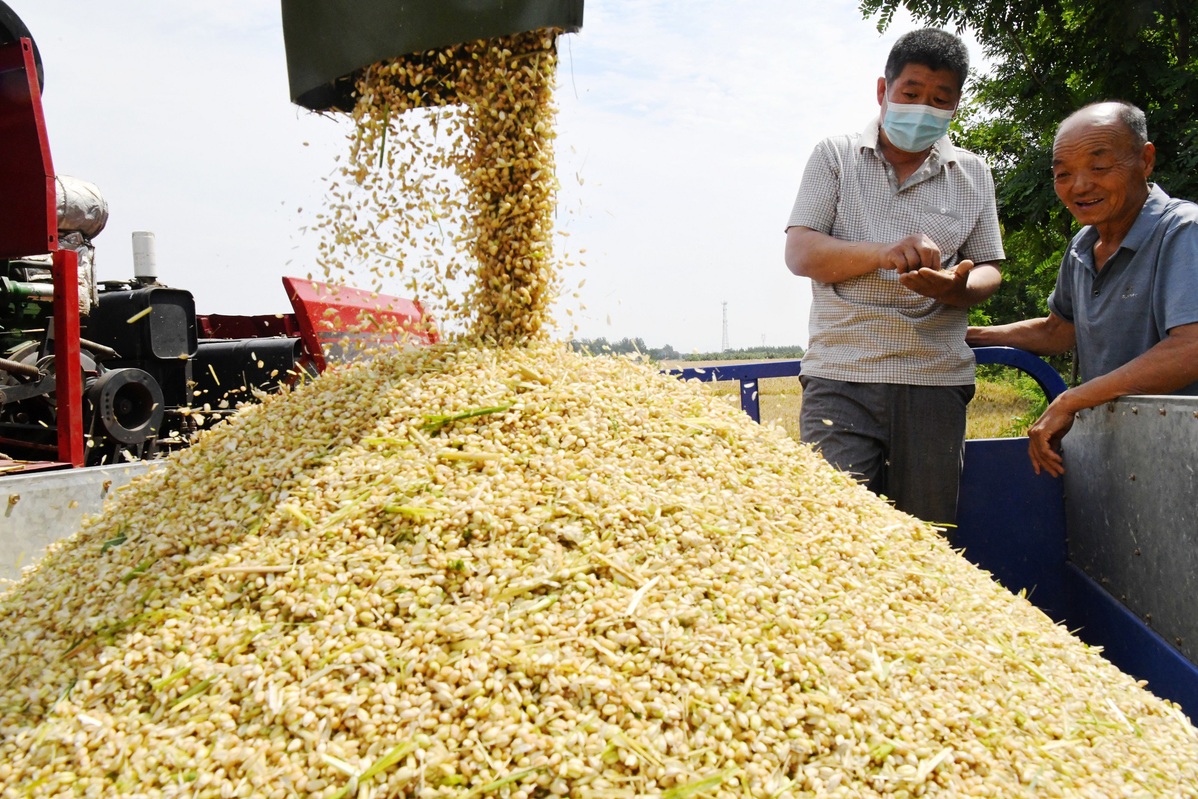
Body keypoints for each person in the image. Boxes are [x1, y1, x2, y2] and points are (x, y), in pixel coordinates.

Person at [783, 28, 1004, 525]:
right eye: (911, 94)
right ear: (884, 91)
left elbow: (990, 267)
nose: (923, 107)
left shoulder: (974, 173)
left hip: (933, 380)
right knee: (837, 533)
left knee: (926, 540)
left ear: (955, 105)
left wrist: (959, 287)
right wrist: (883, 253)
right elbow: (800, 252)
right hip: (842, 375)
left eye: (939, 99)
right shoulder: (834, 156)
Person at [967, 101, 1198, 477]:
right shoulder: (1082, 247)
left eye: (1100, 167)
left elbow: (1191, 348)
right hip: (1123, 458)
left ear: (1146, 159)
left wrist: (1072, 400)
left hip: (1183, 453)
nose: (1080, 185)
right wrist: (969, 335)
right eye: (1063, 174)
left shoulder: (1183, 230)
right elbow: (1058, 330)